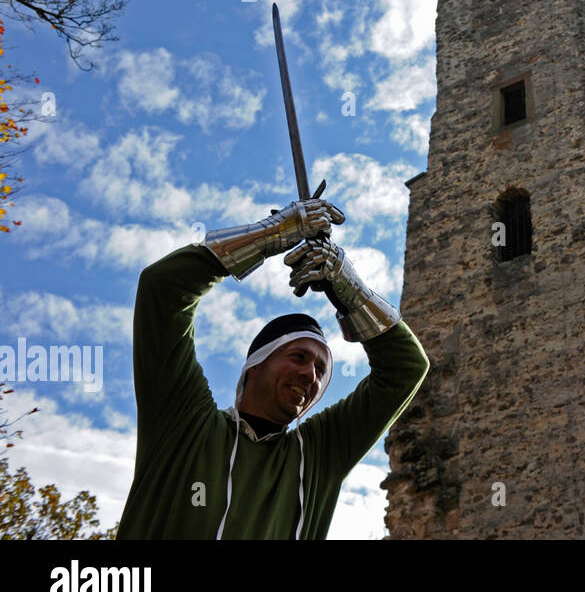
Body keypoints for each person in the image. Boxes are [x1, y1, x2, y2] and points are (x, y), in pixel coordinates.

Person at [117, 198, 429, 539]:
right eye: (298, 357)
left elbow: (406, 368)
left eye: (322, 370)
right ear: (255, 365)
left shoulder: (317, 456)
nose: (311, 375)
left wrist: (349, 288)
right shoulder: (185, 423)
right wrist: (273, 234)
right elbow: (163, 288)